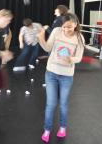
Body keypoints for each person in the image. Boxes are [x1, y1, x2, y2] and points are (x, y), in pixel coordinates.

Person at [37, 13, 84, 143]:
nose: (66, 30)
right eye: (64, 27)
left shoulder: (79, 37)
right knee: (50, 104)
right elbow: (47, 48)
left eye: (69, 27)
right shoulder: (57, 31)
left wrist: (70, 59)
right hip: (51, 73)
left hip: (67, 75)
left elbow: (79, 58)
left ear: (75, 24)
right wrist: (41, 38)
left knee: (63, 104)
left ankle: (62, 128)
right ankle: (47, 129)